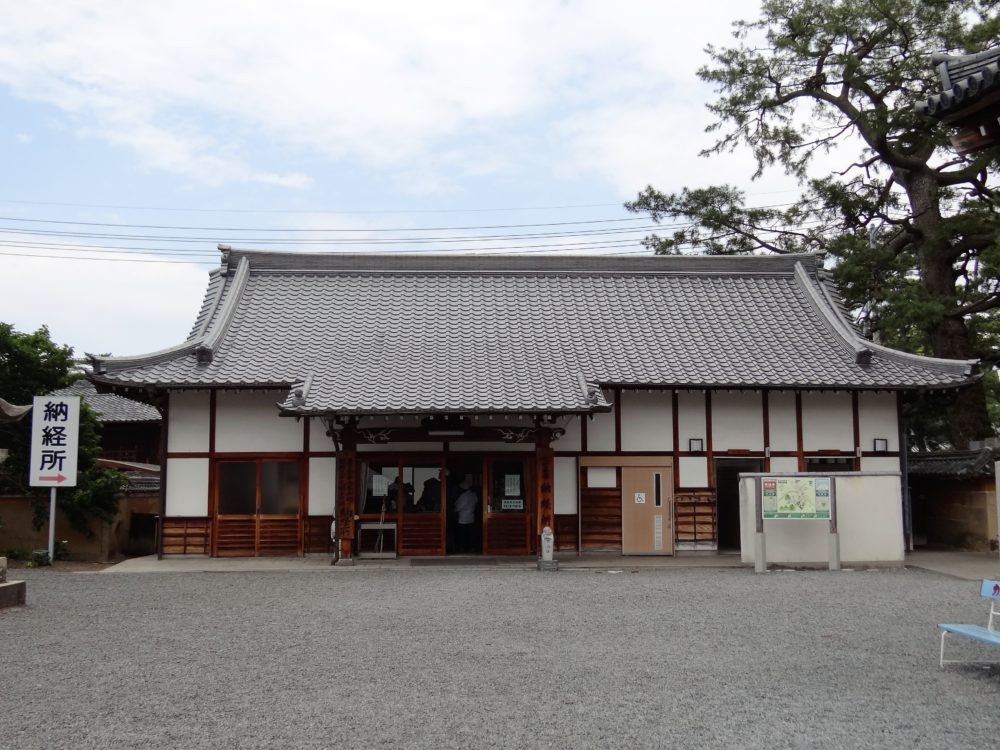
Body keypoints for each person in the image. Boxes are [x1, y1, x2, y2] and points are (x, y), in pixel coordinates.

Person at [453, 477, 478, 553]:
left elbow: (458, 506)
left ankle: (462, 548)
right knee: (471, 534)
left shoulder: (463, 496)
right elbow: (476, 503)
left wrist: (454, 510)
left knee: (462, 534)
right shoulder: (474, 495)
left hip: (463, 518)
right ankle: (472, 547)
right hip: (471, 517)